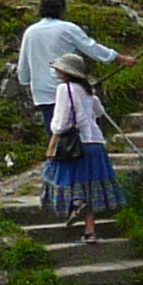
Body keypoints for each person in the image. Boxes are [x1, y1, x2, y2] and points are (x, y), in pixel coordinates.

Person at [41, 54, 124, 243]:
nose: (56, 71)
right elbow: (99, 111)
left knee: (61, 177)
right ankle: (90, 232)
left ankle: (75, 204)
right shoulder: (87, 90)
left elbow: (61, 124)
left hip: (74, 145)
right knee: (91, 186)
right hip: (95, 143)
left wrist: (53, 133)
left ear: (66, 72)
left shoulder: (64, 89)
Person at [14, 0, 120, 131]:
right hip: (70, 90)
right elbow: (91, 47)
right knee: (79, 130)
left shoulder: (30, 32)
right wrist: (116, 57)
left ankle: (56, 152)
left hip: (43, 92)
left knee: (54, 131)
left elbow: (23, 64)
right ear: (62, 10)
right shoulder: (68, 28)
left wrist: (25, 82)